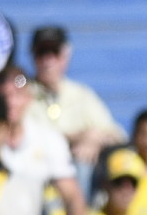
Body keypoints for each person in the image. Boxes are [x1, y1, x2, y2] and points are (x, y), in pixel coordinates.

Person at [0, 65, 93, 215]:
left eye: (17, 95)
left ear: (29, 98)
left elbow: (71, 193)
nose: (11, 103)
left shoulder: (48, 139)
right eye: (4, 96)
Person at [26, 26, 127, 194]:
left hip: (79, 178)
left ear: (66, 55)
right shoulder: (22, 92)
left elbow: (118, 136)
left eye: (54, 52)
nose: (48, 60)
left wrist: (96, 140)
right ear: (32, 55)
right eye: (42, 52)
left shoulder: (81, 95)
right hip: (37, 173)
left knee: (85, 162)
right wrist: (77, 137)